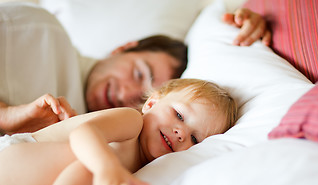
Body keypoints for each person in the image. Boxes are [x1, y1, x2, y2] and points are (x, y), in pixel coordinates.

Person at [0, 78, 239, 185]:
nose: (181, 133)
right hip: (13, 162)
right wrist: (106, 167)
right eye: (178, 115)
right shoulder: (131, 122)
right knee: (102, 166)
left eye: (195, 139)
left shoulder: (146, 171)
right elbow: (83, 134)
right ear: (151, 103)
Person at [0, 2, 270, 136]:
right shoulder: (40, 33)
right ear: (124, 48)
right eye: (139, 73)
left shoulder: (114, 138)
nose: (127, 94)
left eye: (142, 98)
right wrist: (7, 116)